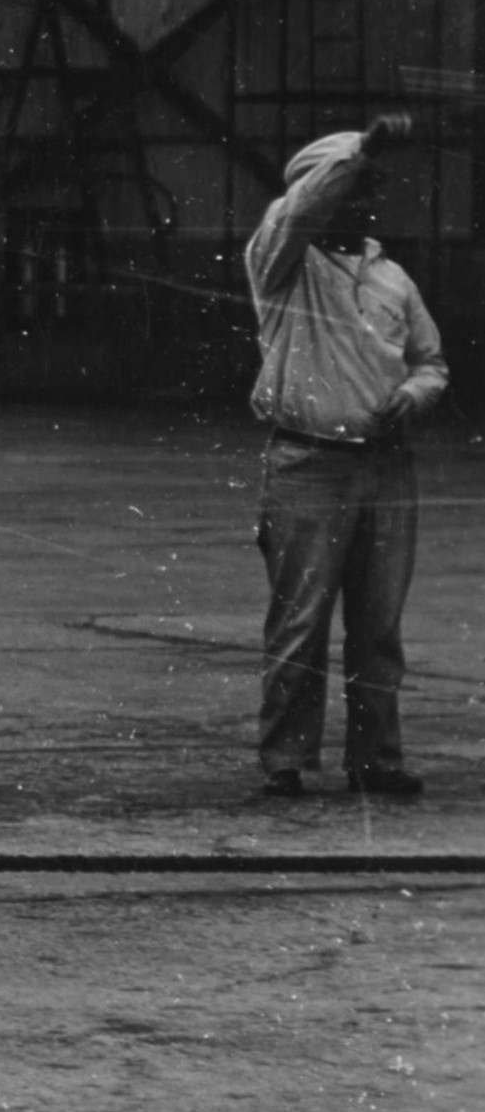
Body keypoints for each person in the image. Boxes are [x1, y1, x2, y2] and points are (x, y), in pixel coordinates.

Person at [241, 120, 446, 800]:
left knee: (377, 624)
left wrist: (415, 393)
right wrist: (359, 151)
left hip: (385, 467)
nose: (361, 203)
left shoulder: (390, 277)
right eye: (350, 188)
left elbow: (429, 359)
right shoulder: (283, 265)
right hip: (308, 464)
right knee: (299, 620)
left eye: (368, 190)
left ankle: (375, 757)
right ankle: (285, 760)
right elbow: (299, 209)